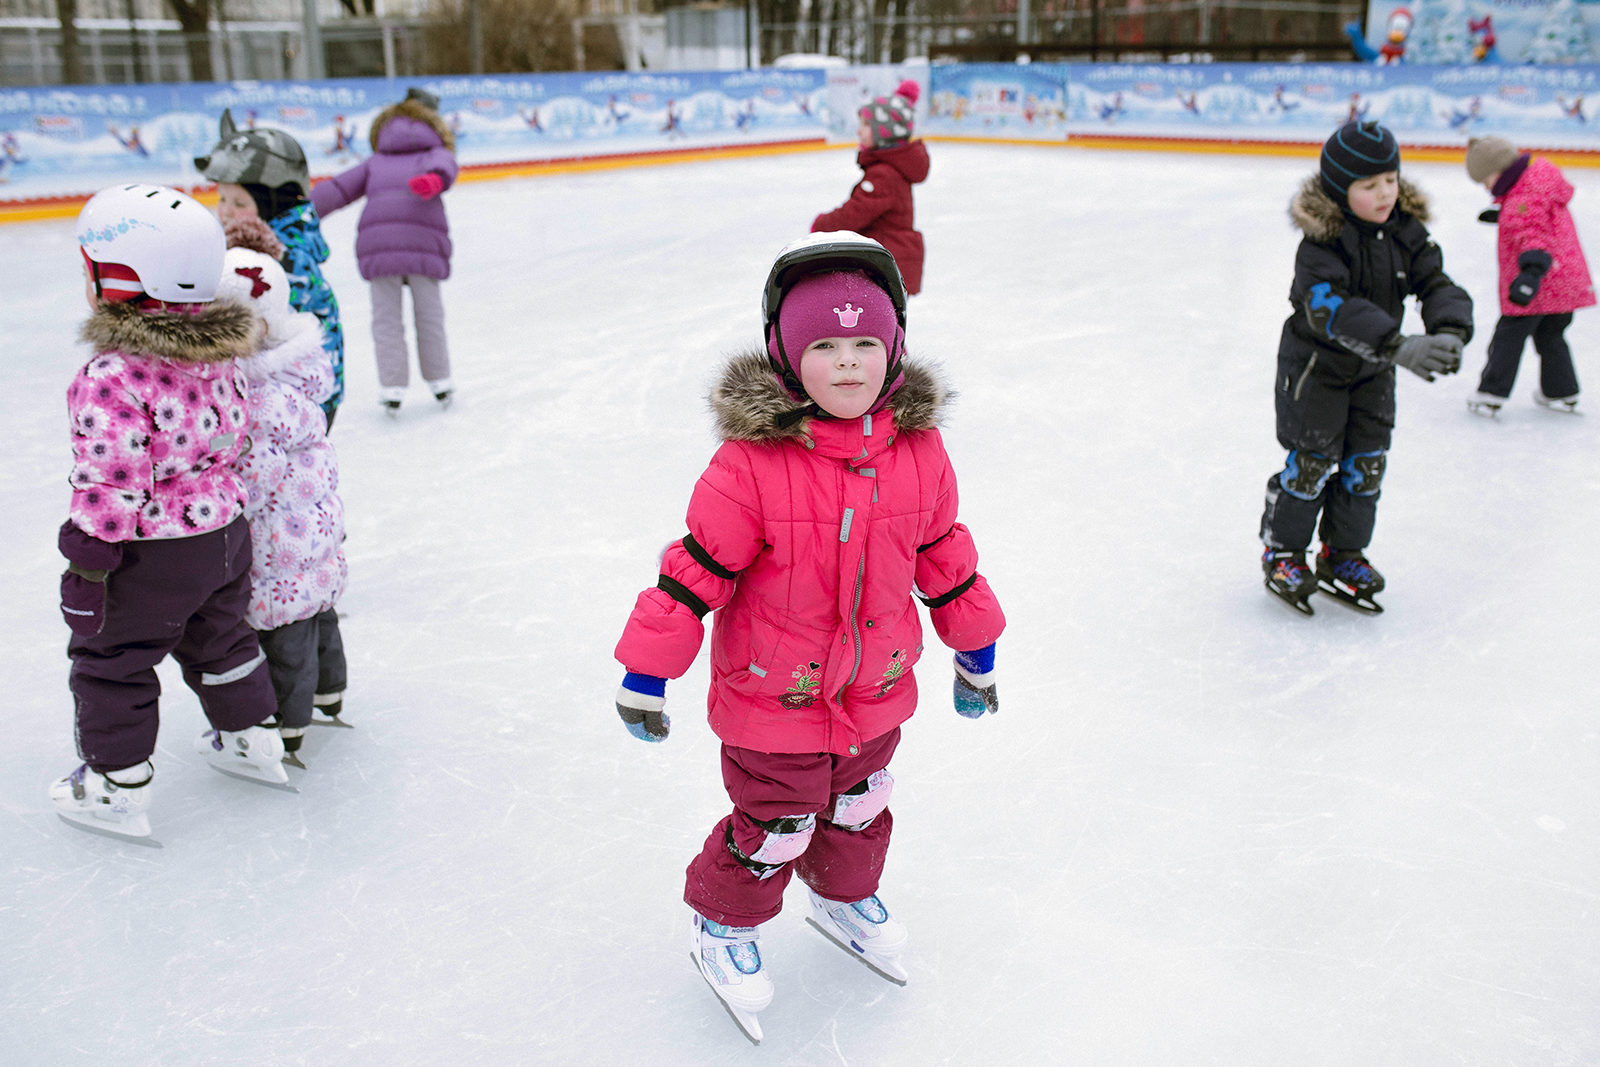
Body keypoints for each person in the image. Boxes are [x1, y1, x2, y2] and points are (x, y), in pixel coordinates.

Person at [611, 232, 1006, 1041]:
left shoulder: (922, 452)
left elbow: (943, 554)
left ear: (893, 350)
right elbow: (693, 572)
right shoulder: (750, 464)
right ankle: (722, 922)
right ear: (788, 359)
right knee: (776, 821)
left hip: (876, 688)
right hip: (774, 694)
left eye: (866, 342)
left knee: (861, 804)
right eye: (825, 345)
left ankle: (840, 892)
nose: (849, 362)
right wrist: (646, 670)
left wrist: (977, 646)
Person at [51, 183, 288, 842]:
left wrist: (87, 561)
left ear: (121, 277)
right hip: (224, 535)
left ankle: (115, 785)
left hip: (150, 550)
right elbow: (235, 435)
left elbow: (111, 477)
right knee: (223, 637)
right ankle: (253, 737)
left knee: (113, 657)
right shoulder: (219, 349)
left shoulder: (112, 373)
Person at [1259, 120, 1474, 614]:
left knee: (1366, 467)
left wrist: (1450, 329)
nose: (1384, 194)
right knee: (1310, 466)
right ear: (1340, 188)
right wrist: (1396, 343)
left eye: (1391, 180)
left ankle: (1344, 554)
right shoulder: (1320, 245)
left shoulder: (1406, 233)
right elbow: (1327, 310)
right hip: (1317, 372)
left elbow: (1438, 284)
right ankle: (1284, 553)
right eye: (1369, 185)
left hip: (1373, 373)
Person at [216, 220, 351, 762]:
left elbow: (255, 478)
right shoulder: (302, 369)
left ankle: (287, 725)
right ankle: (330, 691)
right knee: (319, 612)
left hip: (278, 539)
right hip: (315, 529)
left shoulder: (257, 393)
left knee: (284, 631)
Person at [311, 87, 458, 416]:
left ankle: (392, 385)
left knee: (386, 321)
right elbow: (445, 167)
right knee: (429, 317)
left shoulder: (376, 162)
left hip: (378, 248)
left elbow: (338, 189)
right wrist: (433, 182)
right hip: (424, 245)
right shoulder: (433, 151)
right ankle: (440, 380)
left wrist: (304, 209)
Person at [195, 110, 346, 430]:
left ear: (272, 205)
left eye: (239, 203)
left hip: (300, 394)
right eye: (222, 199)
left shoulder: (283, 259)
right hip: (276, 389)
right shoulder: (254, 247)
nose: (225, 212)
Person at [1463, 135, 1595, 416]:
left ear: (1498, 172)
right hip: (1563, 281)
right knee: (1551, 335)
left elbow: (1532, 234)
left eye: (1485, 181)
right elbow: (1536, 218)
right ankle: (1561, 392)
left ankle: (1491, 393)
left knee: (1508, 336)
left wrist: (1531, 274)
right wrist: (1505, 214)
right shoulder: (1537, 183)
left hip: (1538, 282)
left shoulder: (1521, 199)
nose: (1486, 188)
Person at [812, 80, 929, 295]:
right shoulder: (887, 169)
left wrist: (822, 226)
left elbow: (854, 213)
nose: (859, 132)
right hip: (885, 263)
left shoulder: (883, 175)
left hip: (885, 267)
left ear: (885, 132)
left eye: (865, 126)